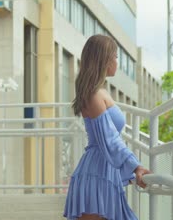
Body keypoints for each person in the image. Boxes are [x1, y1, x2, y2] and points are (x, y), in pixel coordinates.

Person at [63, 35, 151, 220]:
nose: (117, 62)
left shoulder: (99, 92)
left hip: (103, 171)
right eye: (116, 56)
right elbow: (110, 139)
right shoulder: (94, 95)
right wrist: (136, 167)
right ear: (105, 59)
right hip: (96, 174)